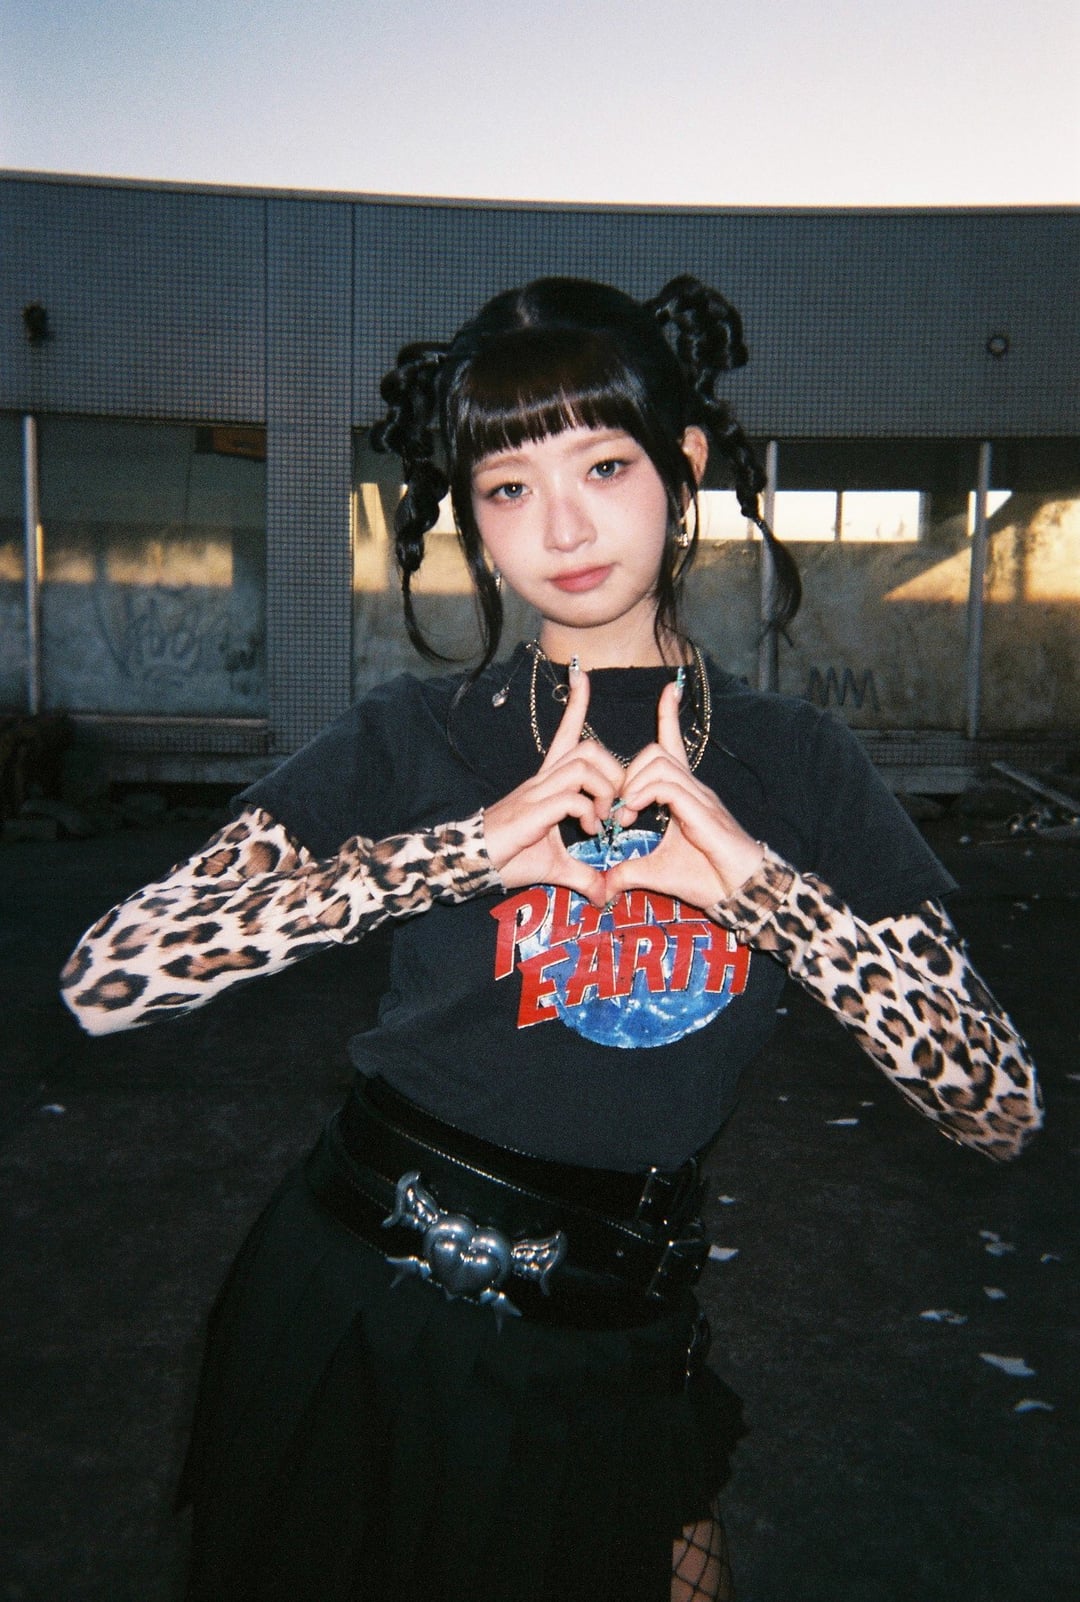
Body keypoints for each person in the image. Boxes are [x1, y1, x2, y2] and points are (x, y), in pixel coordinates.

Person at [61, 275, 1042, 1602]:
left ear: (682, 465)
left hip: (617, 1336)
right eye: (509, 486)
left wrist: (765, 893)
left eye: (605, 465)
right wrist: (453, 855)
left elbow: (994, 1102)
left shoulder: (797, 765)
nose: (563, 526)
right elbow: (109, 980)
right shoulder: (416, 736)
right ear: (469, 515)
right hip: (363, 1311)